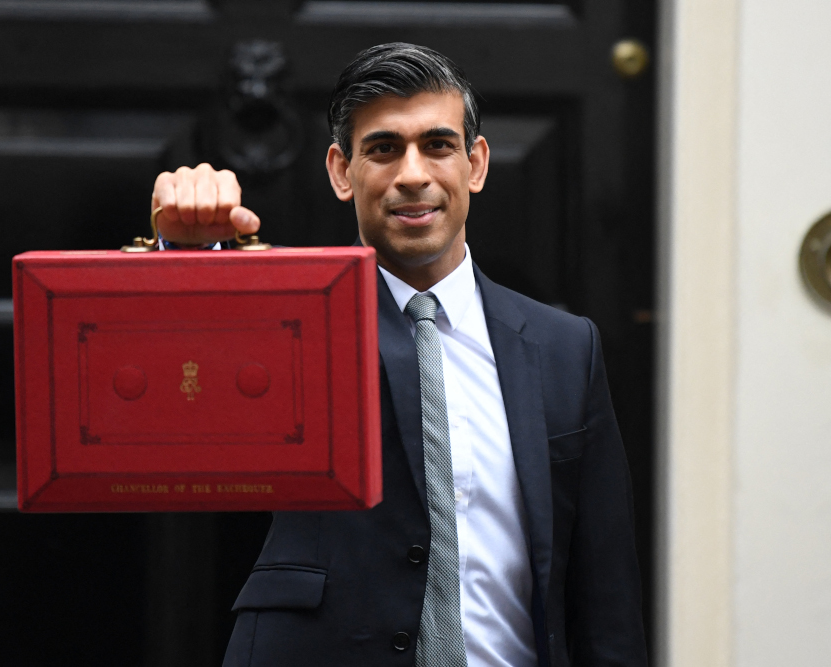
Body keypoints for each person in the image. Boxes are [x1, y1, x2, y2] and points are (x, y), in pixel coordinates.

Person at [151, 42, 647, 667]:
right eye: (384, 149)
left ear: (476, 164)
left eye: (437, 145)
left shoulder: (566, 349)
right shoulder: (287, 325)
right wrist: (185, 259)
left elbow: (606, 596)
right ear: (340, 171)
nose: (413, 173)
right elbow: (171, 403)